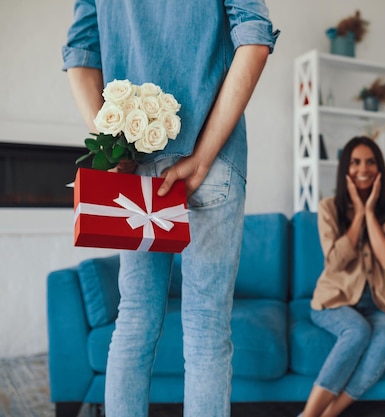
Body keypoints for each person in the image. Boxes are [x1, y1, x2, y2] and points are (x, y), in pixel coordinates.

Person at [62, 2, 279, 416]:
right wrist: (201, 156)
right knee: (207, 329)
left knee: (134, 320)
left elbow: (80, 55)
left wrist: (113, 146)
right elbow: (254, 37)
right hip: (212, 158)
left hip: (135, 163)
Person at [300, 136, 385, 417]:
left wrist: (369, 212)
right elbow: (335, 263)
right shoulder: (328, 208)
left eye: (370, 161)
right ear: (345, 168)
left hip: (380, 305)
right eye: (356, 162)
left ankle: (327, 415)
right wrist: (357, 215)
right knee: (357, 331)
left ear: (379, 167)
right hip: (335, 302)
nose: (364, 168)